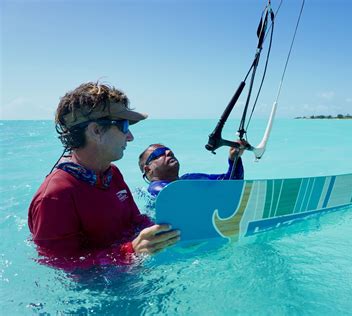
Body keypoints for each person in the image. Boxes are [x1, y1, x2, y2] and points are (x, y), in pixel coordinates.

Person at [28, 82, 180, 268]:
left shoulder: (111, 173)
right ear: (96, 131)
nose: (130, 137)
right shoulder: (55, 196)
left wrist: (165, 230)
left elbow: (134, 221)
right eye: (124, 126)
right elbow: (58, 264)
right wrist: (129, 251)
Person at [139, 142, 246, 197]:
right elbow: (169, 194)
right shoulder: (155, 189)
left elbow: (231, 183)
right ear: (148, 170)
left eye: (169, 151)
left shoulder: (190, 179)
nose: (168, 152)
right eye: (159, 153)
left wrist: (234, 159)